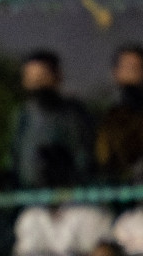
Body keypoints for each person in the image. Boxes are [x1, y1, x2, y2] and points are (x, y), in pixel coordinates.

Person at [9, 50, 92, 189]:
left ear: (57, 76)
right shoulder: (23, 115)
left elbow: (83, 156)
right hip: (29, 198)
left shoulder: (72, 113)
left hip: (69, 197)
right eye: (31, 79)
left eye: (41, 77)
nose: (36, 84)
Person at [96, 45, 143, 183]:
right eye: (128, 68)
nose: (133, 74)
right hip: (115, 188)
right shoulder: (104, 113)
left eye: (137, 68)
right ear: (115, 72)